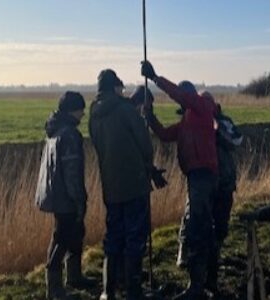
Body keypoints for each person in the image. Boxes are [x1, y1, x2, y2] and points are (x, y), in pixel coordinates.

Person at [141, 61, 218, 300]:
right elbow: (165, 135)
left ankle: (198, 287)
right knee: (201, 227)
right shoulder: (186, 122)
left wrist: (155, 78)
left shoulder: (204, 107)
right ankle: (206, 282)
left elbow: (182, 97)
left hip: (203, 178)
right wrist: (150, 117)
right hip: (196, 179)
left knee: (198, 229)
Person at [89, 69, 154, 300]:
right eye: (120, 86)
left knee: (113, 236)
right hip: (134, 184)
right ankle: (133, 291)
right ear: (115, 88)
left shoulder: (93, 113)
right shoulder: (126, 110)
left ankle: (108, 291)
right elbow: (146, 146)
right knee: (135, 237)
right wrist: (148, 164)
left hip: (111, 186)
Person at [176, 91, 243, 296]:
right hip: (203, 184)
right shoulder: (190, 121)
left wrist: (215, 128)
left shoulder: (222, 122)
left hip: (222, 184)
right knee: (198, 229)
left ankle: (210, 281)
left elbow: (236, 140)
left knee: (217, 232)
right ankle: (195, 277)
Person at [35, 91, 95, 300]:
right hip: (66, 197)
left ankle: (74, 276)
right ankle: (55, 289)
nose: (83, 115)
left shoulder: (55, 131)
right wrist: (79, 198)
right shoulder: (70, 134)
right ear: (73, 110)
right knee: (63, 237)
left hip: (55, 193)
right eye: (81, 110)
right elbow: (71, 171)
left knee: (74, 232)